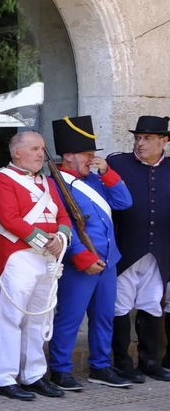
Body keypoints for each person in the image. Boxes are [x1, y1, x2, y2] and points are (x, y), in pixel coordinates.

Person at [0, 130, 72, 401]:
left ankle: (33, 375)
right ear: (16, 152)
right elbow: (8, 218)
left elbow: (64, 213)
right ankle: (4, 378)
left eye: (42, 148)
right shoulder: (1, 178)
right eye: (34, 148)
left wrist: (60, 237)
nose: (40, 154)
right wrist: (44, 240)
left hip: (46, 257)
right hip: (18, 256)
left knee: (38, 318)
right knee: (13, 318)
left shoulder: (46, 182)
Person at [49, 116, 133, 389]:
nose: (91, 159)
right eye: (87, 154)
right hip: (81, 262)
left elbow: (123, 201)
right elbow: (62, 223)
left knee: (104, 317)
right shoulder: (54, 184)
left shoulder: (96, 181)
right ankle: (60, 370)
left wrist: (107, 172)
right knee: (70, 318)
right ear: (68, 155)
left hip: (108, 260)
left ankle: (100, 366)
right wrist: (80, 254)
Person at [107, 115, 170, 382]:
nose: (140, 143)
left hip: (160, 252)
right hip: (126, 249)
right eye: (137, 138)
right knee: (119, 306)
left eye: (147, 138)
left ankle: (149, 360)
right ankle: (122, 362)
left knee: (151, 304)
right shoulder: (117, 163)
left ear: (164, 141)